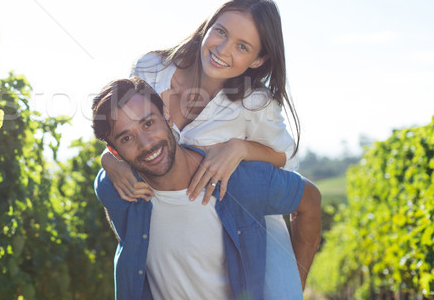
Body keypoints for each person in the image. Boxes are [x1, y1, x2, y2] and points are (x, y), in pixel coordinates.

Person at [101, 0, 303, 297]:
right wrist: (110, 162)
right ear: (208, 26)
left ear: (258, 60)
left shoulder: (255, 103)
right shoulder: (151, 68)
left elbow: (286, 158)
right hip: (168, 237)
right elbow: (120, 130)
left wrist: (241, 148)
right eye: (221, 31)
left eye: (242, 46)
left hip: (242, 236)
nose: (222, 49)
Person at [92, 77, 321, 300]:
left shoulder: (236, 180)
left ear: (166, 115)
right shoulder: (117, 190)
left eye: (148, 123)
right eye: (127, 139)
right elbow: (103, 182)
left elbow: (310, 199)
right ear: (114, 152)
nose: (146, 143)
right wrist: (108, 165)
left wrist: (295, 284)